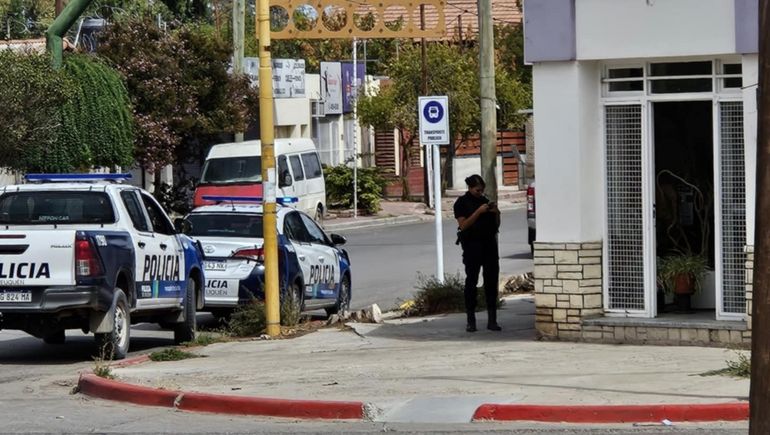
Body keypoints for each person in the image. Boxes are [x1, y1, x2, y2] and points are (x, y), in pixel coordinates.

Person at [453, 174, 501, 332]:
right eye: (477, 190)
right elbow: (464, 225)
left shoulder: (485, 201)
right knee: (471, 282)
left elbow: (496, 225)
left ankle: (492, 320)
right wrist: (478, 212)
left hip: (489, 246)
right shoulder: (461, 203)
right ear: (470, 187)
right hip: (472, 247)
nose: (480, 192)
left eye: (482, 190)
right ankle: (470, 320)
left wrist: (496, 212)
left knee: (491, 282)